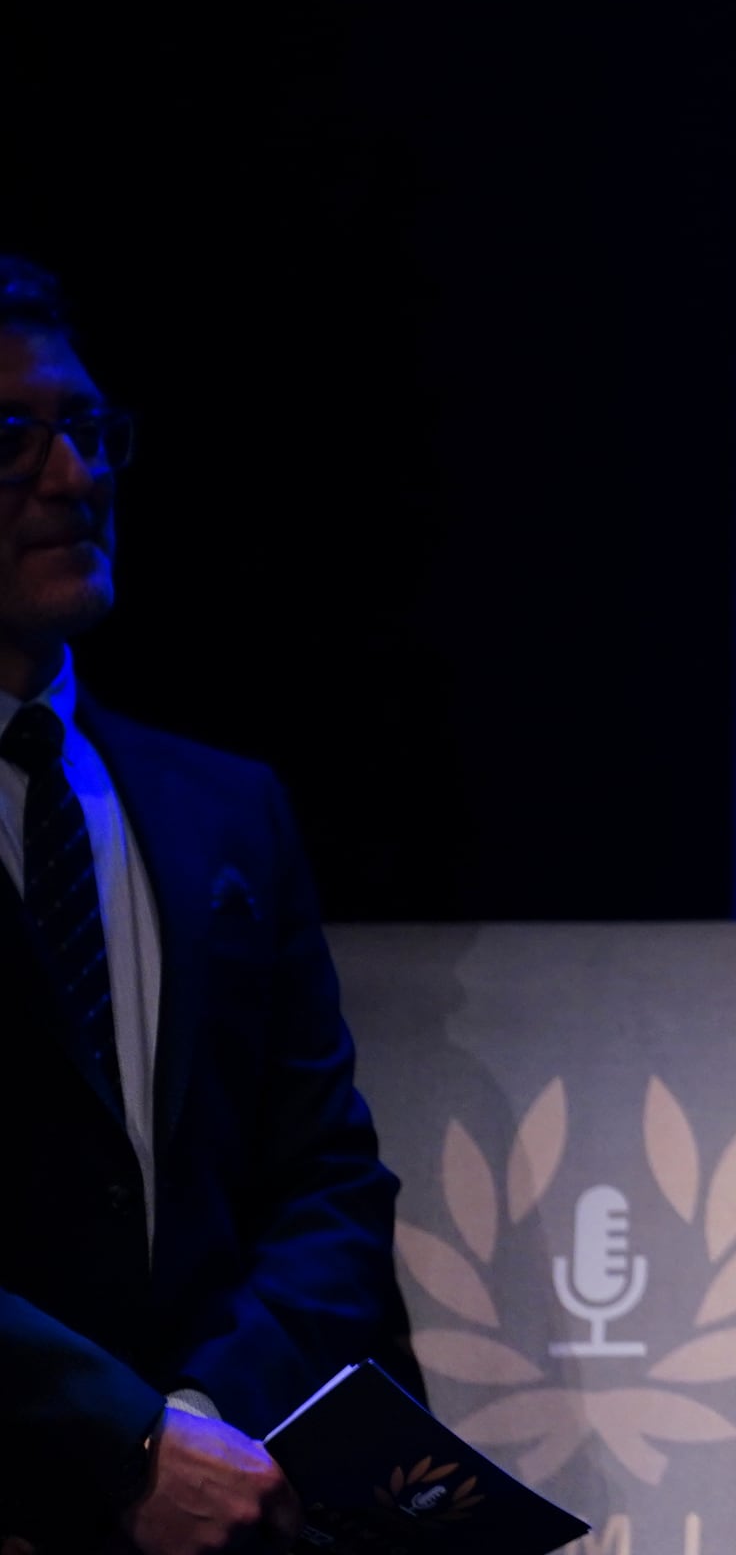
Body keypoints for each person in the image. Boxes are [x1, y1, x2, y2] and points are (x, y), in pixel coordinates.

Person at [0, 259, 418, 1553]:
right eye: (14, 439)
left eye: (88, 428)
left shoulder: (228, 810)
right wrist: (119, 1443)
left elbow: (326, 1183)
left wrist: (202, 1421)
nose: (76, 476)